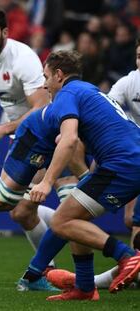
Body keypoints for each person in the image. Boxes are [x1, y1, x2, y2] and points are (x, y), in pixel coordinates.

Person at [0, 5, 79, 285]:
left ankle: (63, 274)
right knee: (20, 210)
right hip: (22, 136)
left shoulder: (22, 58)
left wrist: (3, 129)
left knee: (23, 207)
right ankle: (49, 272)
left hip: (46, 131)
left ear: (4, 32)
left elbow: (40, 108)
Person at [20, 50, 140, 301]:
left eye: (46, 77)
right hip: (128, 160)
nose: (44, 84)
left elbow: (69, 139)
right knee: (71, 217)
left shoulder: (67, 94)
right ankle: (85, 286)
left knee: (62, 220)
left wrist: (47, 181)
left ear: (59, 75)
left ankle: (126, 256)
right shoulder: (88, 90)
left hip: (124, 165)